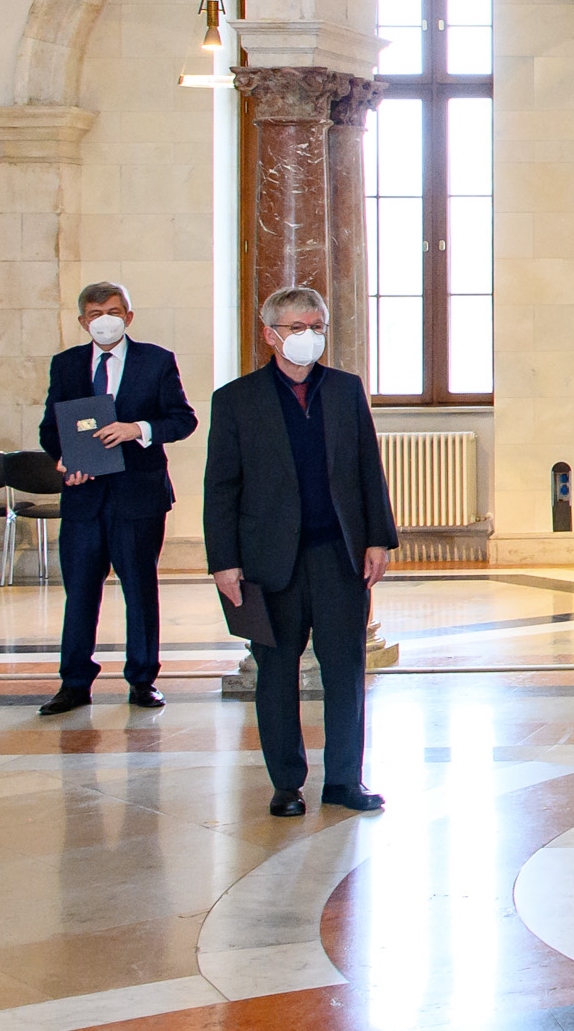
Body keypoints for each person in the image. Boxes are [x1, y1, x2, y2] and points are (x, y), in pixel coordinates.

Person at [204, 287, 399, 818]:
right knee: (276, 672)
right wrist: (223, 561)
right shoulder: (235, 400)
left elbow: (367, 469)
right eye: (296, 327)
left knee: (345, 670)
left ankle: (343, 780)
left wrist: (378, 538)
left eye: (316, 326)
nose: (308, 336)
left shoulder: (345, 390)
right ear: (270, 334)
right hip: (269, 563)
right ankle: (287, 782)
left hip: (338, 556)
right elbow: (220, 487)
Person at [37, 282, 200, 715]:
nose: (103, 320)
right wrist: (63, 459)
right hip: (84, 498)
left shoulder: (156, 361)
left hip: (138, 497)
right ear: (82, 321)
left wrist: (138, 429)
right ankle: (74, 682)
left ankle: (142, 679)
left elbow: (183, 420)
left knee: (140, 589)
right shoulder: (66, 364)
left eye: (112, 311)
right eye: (94, 313)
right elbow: (50, 428)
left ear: (128, 317)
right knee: (80, 592)